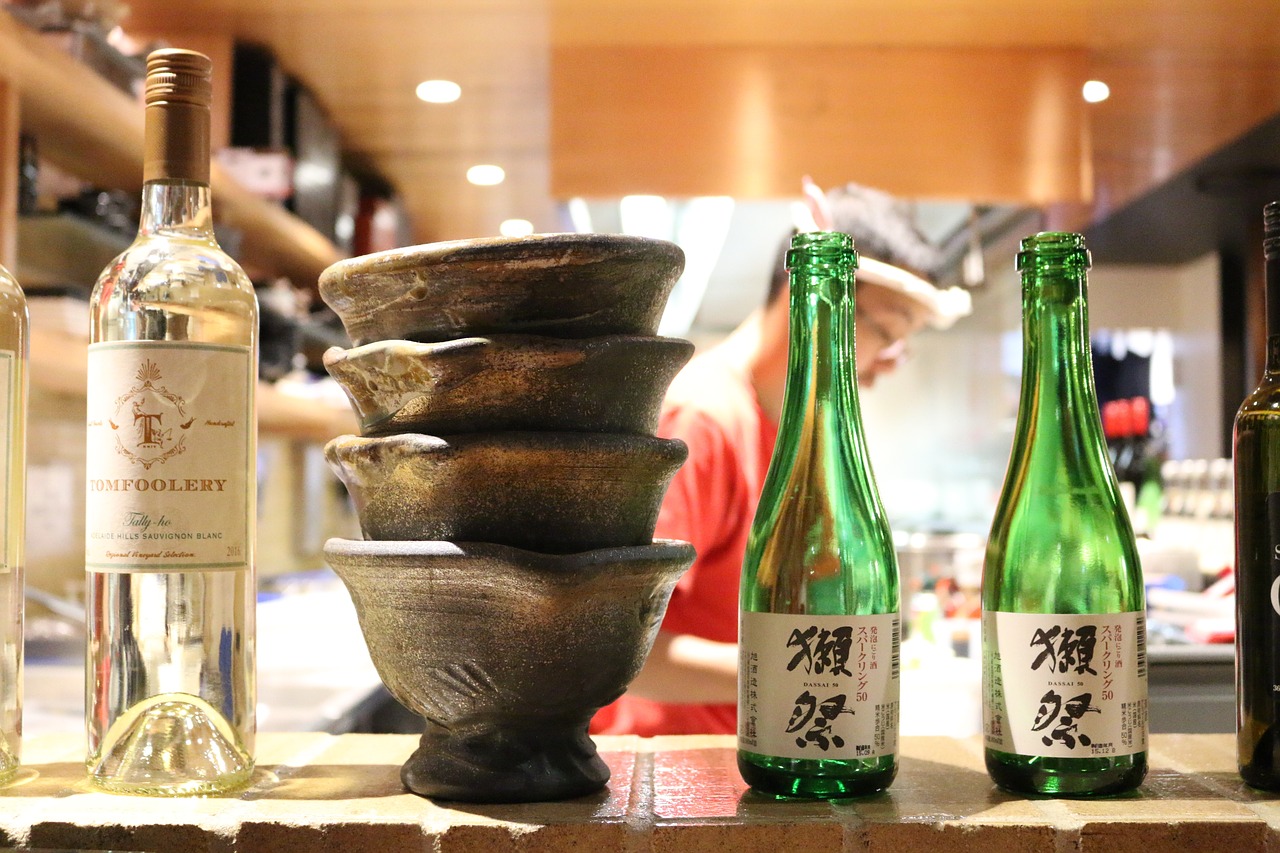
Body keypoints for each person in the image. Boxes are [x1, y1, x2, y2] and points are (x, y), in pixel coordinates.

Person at [590, 181, 972, 736]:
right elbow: (623, 652)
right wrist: (824, 670)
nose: (889, 362)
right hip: (673, 776)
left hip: (748, 758)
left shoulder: (793, 437)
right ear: (810, 296)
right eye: (885, 330)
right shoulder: (703, 420)